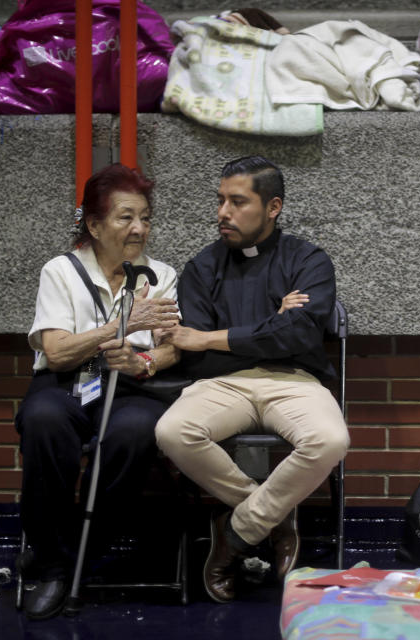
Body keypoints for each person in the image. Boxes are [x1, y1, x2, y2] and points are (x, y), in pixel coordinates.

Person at [154, 156, 350, 603]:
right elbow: (193, 351)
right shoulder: (202, 267)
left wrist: (214, 338)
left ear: (273, 206)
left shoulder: (309, 260)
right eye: (220, 200)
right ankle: (274, 518)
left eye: (237, 202)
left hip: (294, 380)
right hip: (223, 383)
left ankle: (236, 530)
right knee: (172, 431)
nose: (222, 212)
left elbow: (299, 334)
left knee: (330, 440)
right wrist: (270, 327)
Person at [15, 163, 181, 620]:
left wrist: (144, 359)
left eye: (145, 217)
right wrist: (120, 327)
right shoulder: (61, 271)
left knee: (136, 433)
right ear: (94, 224)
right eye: (126, 217)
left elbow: (173, 350)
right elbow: (56, 351)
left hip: (130, 386)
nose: (139, 228)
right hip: (68, 381)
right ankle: (52, 563)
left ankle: (72, 556)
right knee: (44, 421)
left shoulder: (160, 275)